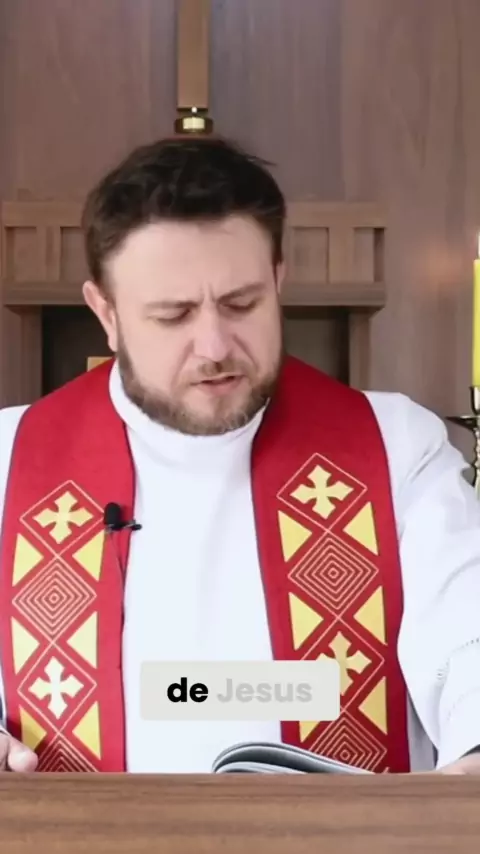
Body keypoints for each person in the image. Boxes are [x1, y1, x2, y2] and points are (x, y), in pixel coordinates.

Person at [0, 136, 480, 776]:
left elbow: (468, 634)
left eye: (241, 304)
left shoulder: (394, 447)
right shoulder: (9, 459)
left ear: (278, 280)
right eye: (173, 315)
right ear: (106, 313)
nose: (214, 347)